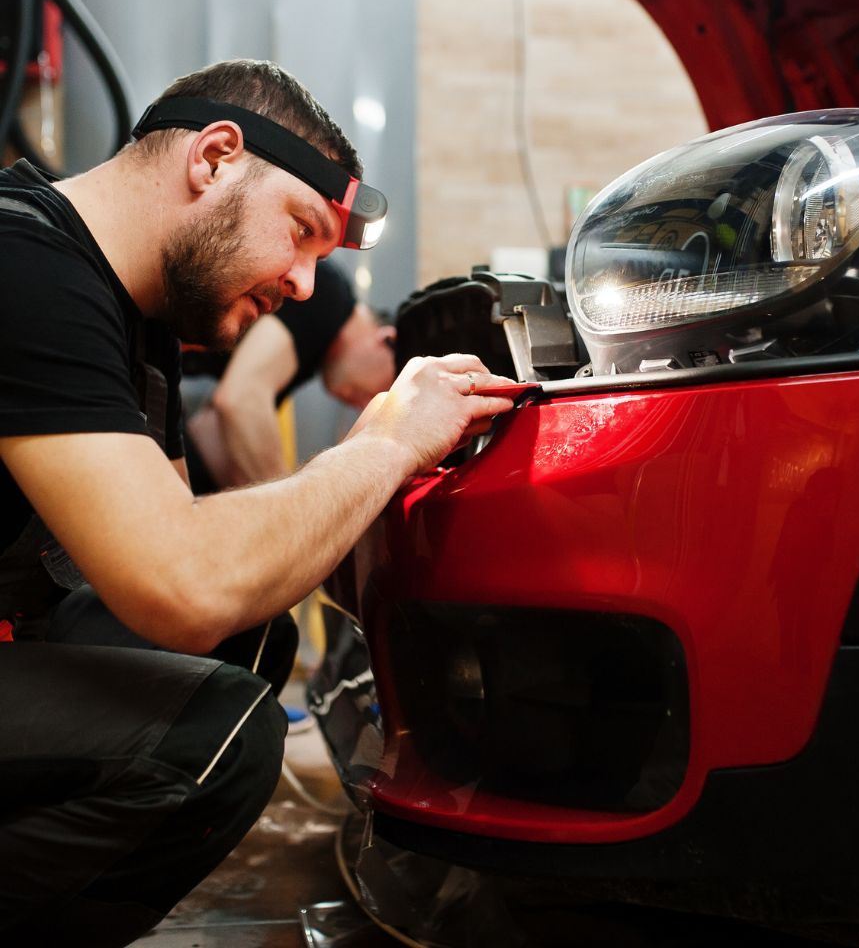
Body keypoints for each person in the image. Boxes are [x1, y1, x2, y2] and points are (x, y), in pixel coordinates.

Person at [0, 59, 513, 947]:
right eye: (301, 231)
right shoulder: (26, 267)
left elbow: (202, 586)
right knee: (216, 736)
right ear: (215, 158)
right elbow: (182, 583)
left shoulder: (140, 318)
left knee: (254, 634)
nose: (307, 288)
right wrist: (383, 446)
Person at [183, 259, 396, 493]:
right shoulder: (327, 296)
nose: (364, 406)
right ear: (387, 340)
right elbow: (242, 399)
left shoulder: (314, 354)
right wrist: (292, 506)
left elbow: (209, 429)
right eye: (380, 393)